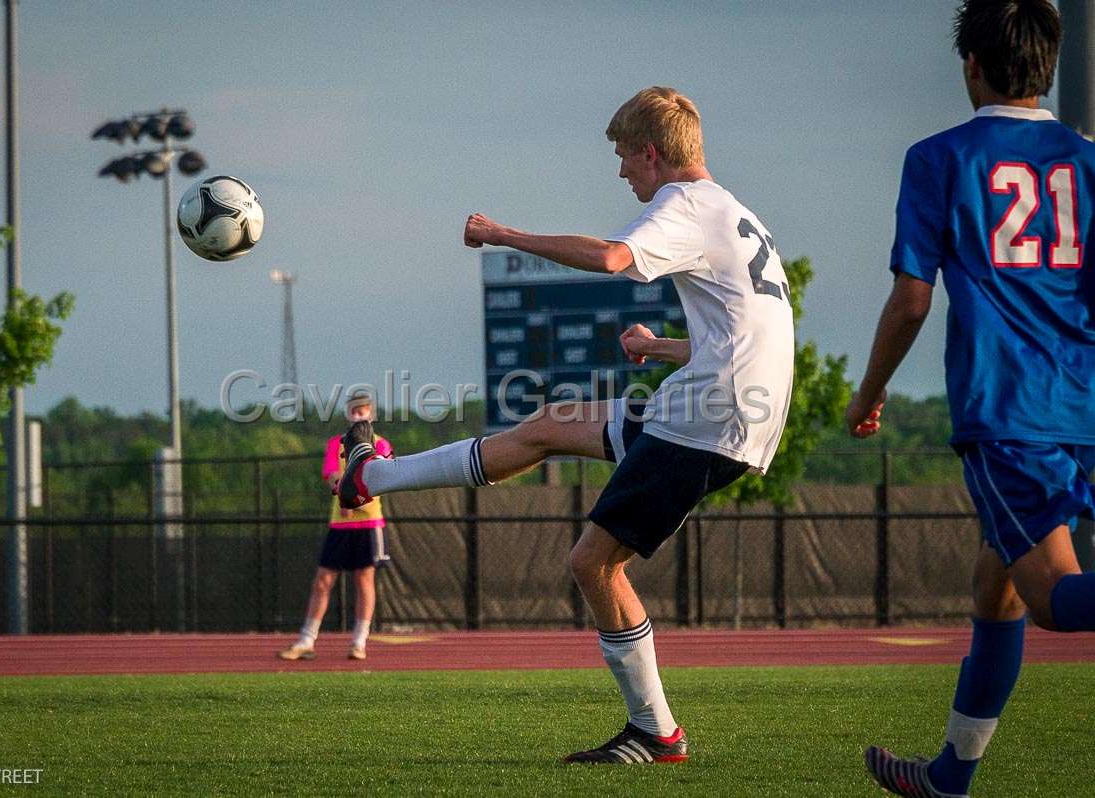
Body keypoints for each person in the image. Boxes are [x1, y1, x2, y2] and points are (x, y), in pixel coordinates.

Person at [336, 86, 794, 763]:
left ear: (651, 153)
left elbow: (613, 259)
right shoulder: (735, 212)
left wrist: (501, 235)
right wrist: (659, 349)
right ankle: (370, 475)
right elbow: (744, 337)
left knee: (592, 563)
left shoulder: (686, 203)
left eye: (622, 158)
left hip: (706, 418)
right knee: (550, 425)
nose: (621, 174)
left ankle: (655, 731)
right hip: (720, 406)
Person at [850, 3, 1095, 795]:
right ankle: (952, 775)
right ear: (1047, 66)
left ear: (971, 66)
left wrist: (870, 392)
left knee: (1052, 597)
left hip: (1013, 412)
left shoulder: (939, 159)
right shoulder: (1088, 161)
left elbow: (913, 300)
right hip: (1087, 398)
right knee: (995, 587)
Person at [278, 390, 393, 662]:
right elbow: (331, 474)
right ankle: (307, 640)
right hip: (341, 524)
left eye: (363, 410)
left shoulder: (381, 444)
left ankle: (359, 641)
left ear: (371, 414)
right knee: (323, 580)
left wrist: (355, 498)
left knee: (364, 579)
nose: (358, 415)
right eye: (354, 410)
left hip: (368, 521)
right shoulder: (336, 444)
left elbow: (384, 477)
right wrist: (342, 493)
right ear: (347, 413)